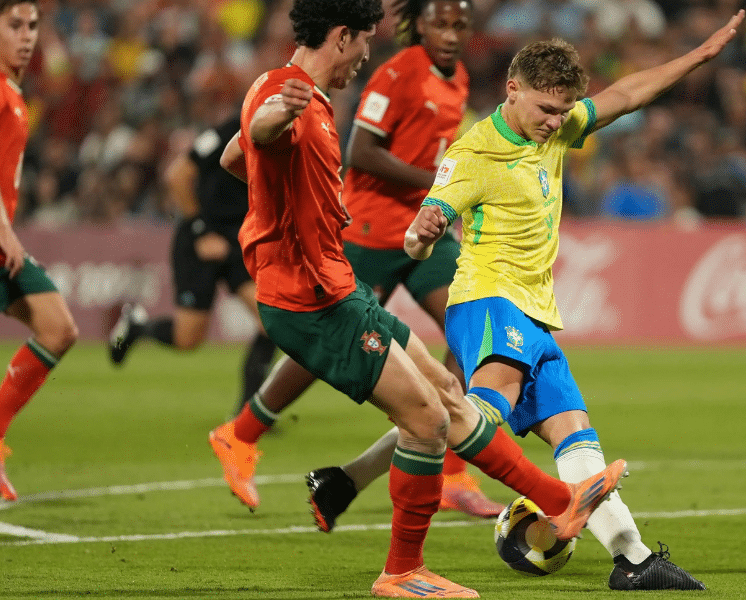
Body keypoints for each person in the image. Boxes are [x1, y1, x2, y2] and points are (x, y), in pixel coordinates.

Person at [208, 1, 625, 596]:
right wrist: (275, 125)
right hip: (314, 293)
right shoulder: (290, 96)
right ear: (343, 36)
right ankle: (404, 569)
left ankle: (559, 501)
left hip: (338, 286)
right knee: (428, 419)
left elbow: (235, 157)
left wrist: (283, 195)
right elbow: (259, 134)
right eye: (363, 42)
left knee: (448, 393)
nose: (365, 55)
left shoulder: (295, 91)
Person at [400, 13, 745, 591]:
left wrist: (695, 57)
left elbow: (627, 95)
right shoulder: (474, 153)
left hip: (535, 313)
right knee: (476, 411)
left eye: (563, 112)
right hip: (489, 300)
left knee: (574, 432)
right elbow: (418, 235)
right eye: (546, 110)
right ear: (512, 89)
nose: (555, 122)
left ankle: (633, 560)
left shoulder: (556, 129)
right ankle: (386, 478)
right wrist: (424, 231)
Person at [212, 0, 505, 521]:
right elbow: (361, 152)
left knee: (469, 328)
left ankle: (453, 471)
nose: (451, 34)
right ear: (418, 24)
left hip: (424, 231)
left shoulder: (457, 78)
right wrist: (441, 182)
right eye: (440, 23)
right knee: (330, 337)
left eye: (461, 25)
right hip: (370, 229)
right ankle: (243, 431)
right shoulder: (395, 74)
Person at [108, 113, 276, 417]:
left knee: (272, 323)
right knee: (188, 339)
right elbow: (177, 176)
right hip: (200, 241)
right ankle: (138, 328)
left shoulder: (280, 134)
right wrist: (202, 231)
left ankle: (248, 414)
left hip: (238, 241)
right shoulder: (228, 131)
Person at [0, 0, 79, 502]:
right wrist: (4, 230)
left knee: (58, 328)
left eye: (32, 25)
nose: (27, 35)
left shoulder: (12, 91)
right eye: (14, 25)